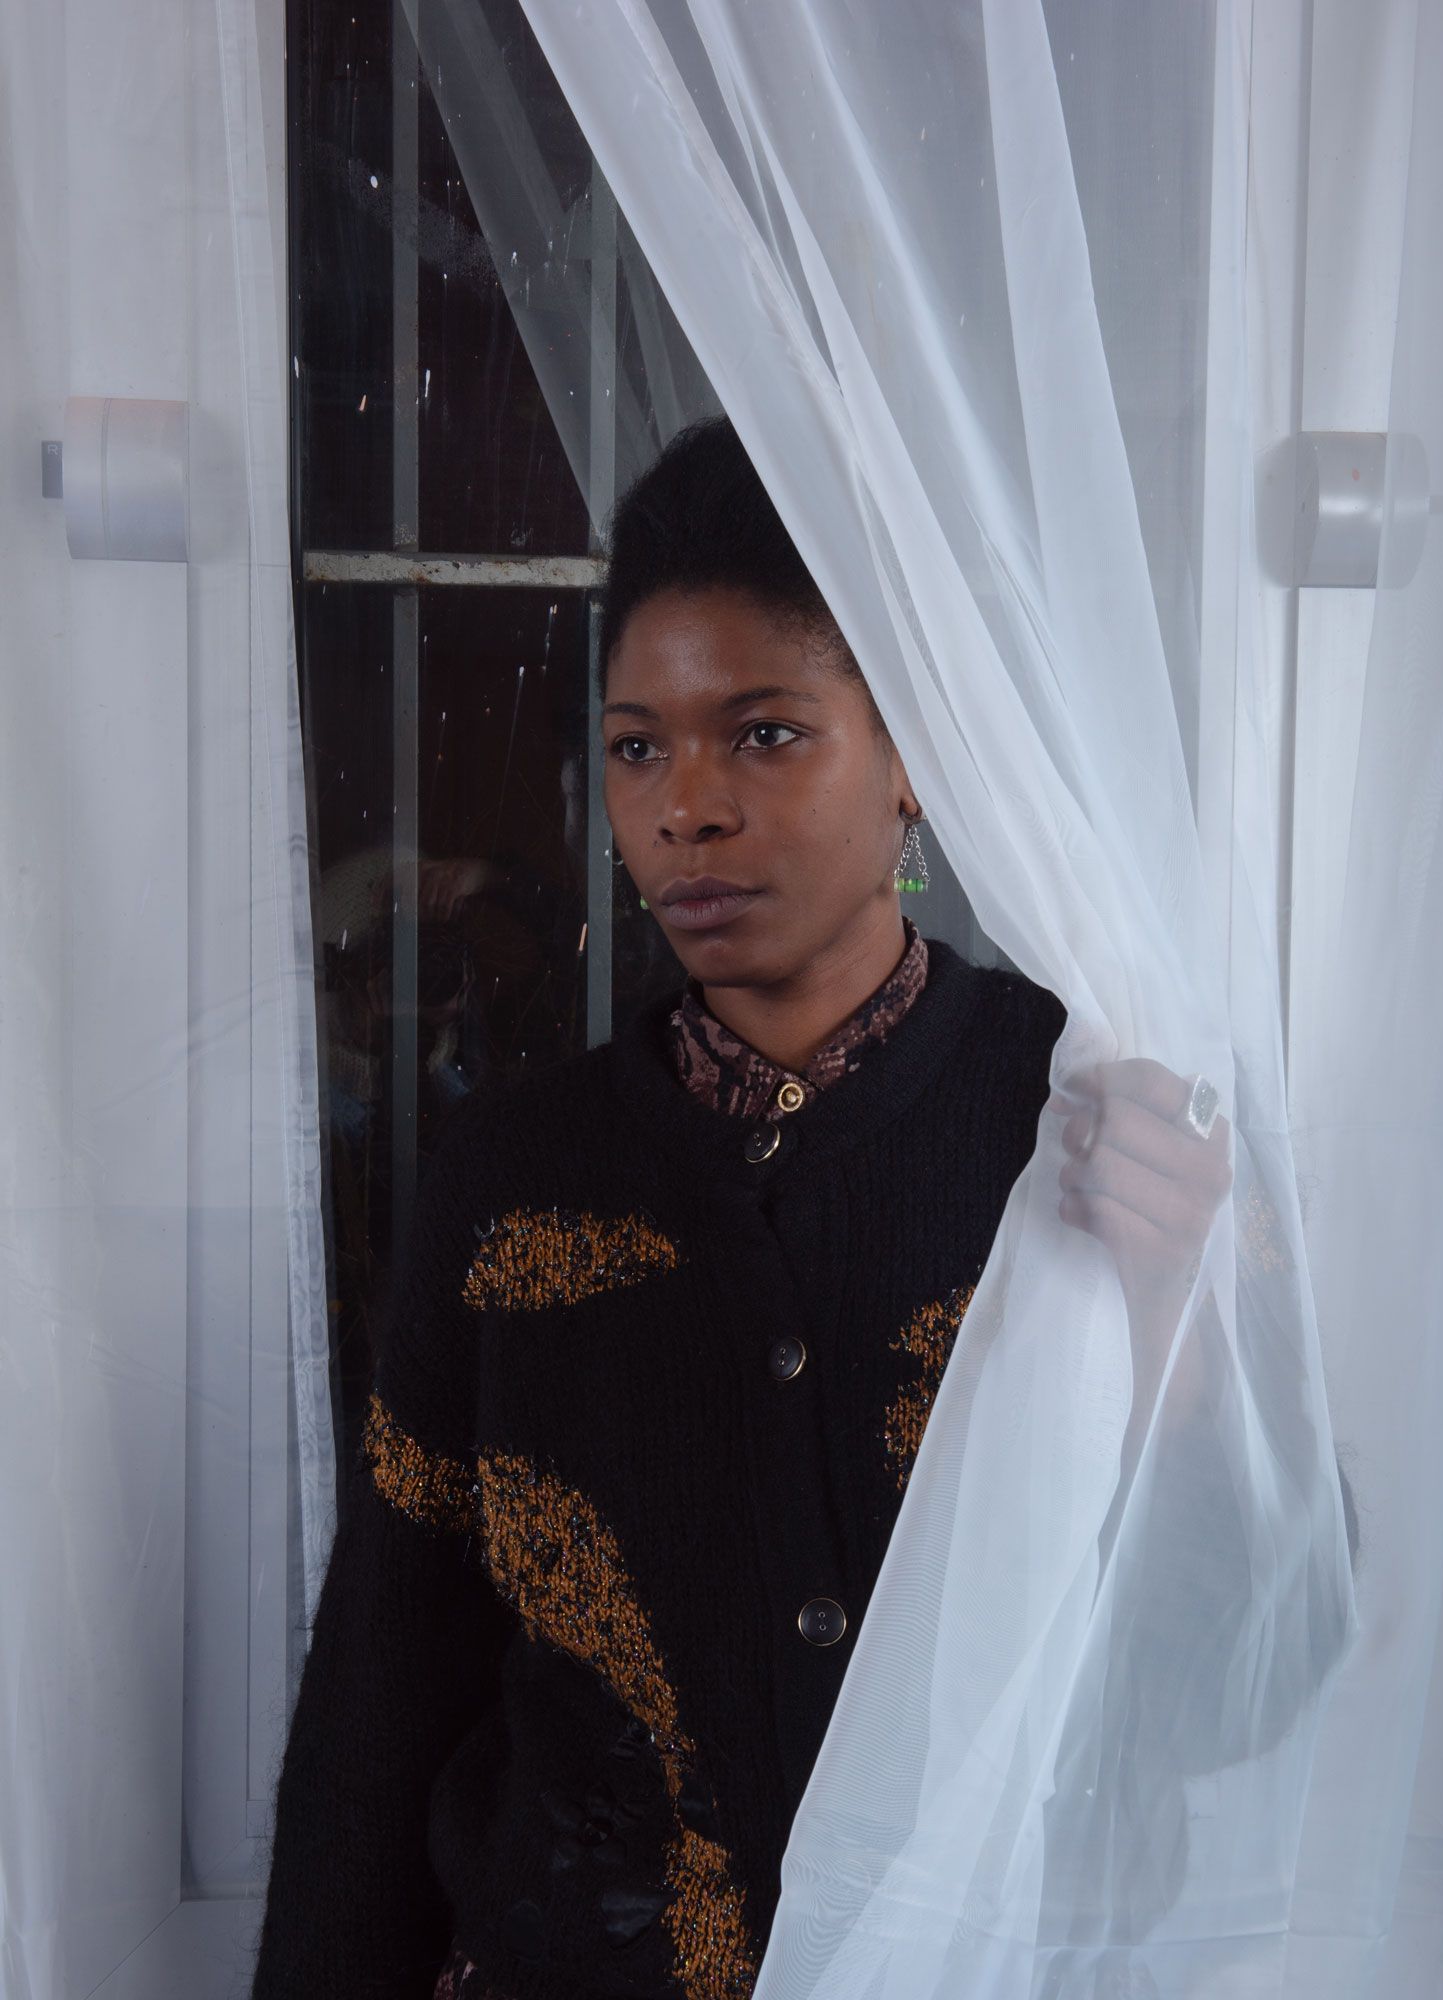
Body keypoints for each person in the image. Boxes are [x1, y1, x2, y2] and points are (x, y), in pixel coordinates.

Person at [251, 418, 1242, 2000]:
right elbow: (386, 1692)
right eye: (638, 746)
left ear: (913, 755)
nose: (687, 808)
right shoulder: (512, 1182)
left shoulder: (1084, 1127)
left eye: (765, 732)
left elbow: (1257, 1680)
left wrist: (1177, 1322)